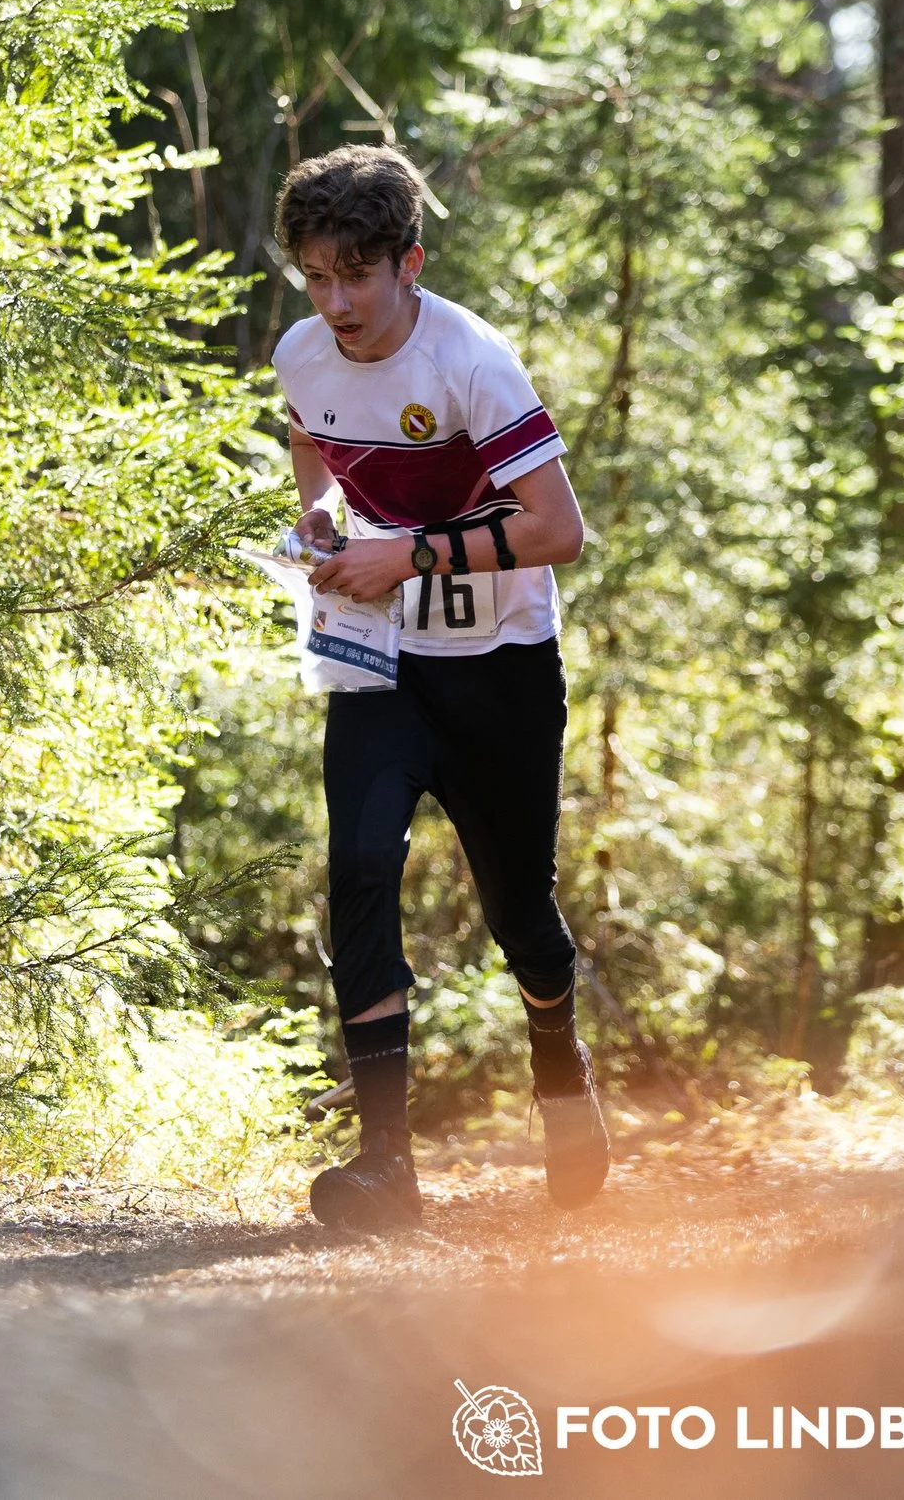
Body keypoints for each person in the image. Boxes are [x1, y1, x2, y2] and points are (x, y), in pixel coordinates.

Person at [272, 145, 606, 1231]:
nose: (335, 304)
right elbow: (310, 431)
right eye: (315, 278)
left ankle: (559, 1063)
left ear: (408, 262)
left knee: (520, 913)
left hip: (501, 668)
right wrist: (324, 515)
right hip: (383, 666)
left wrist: (404, 554)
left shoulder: (473, 363)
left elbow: (560, 528)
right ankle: (386, 1166)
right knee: (361, 866)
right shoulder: (302, 354)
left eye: (355, 277)